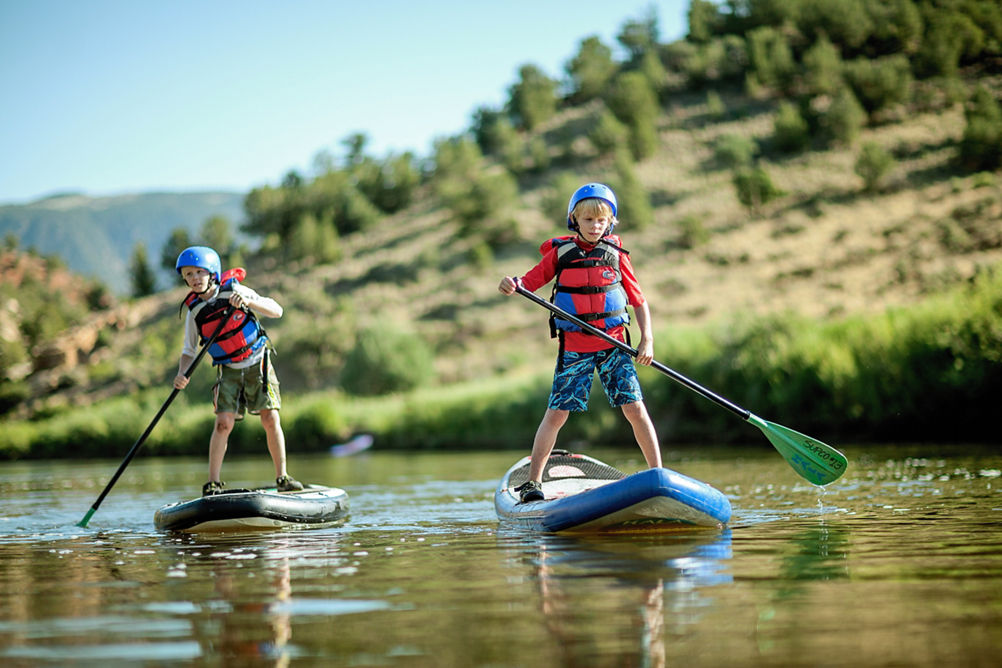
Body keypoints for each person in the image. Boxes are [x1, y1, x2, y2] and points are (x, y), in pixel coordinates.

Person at [498, 183, 662, 502]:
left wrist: (648, 340)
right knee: (557, 413)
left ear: (610, 223)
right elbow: (528, 282)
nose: (595, 226)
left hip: (615, 347)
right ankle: (533, 483)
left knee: (635, 409)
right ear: (574, 220)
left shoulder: (616, 256)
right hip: (576, 349)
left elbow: (639, 301)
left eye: (602, 221)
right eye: (588, 220)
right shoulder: (561, 254)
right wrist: (511, 284)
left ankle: (658, 472)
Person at [173, 246, 303, 496]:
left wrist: (248, 301)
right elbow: (189, 350)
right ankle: (213, 483)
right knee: (223, 423)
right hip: (228, 369)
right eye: (188, 274)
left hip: (257, 362)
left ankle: (282, 477)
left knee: (270, 417)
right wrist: (182, 374)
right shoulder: (194, 312)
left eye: (199, 272)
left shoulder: (235, 290)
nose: (194, 279)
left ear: (212, 273)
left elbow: (277, 310)